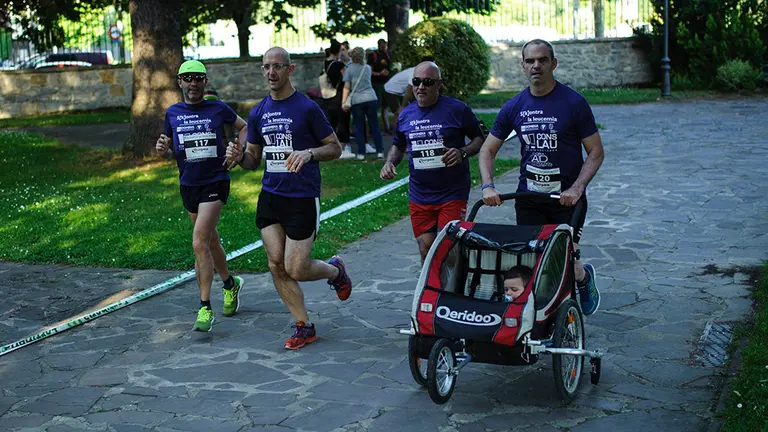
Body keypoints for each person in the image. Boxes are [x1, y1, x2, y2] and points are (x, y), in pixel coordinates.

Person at [225, 47, 353, 350]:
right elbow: (254, 159)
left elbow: (334, 148)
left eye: (277, 67)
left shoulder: (306, 108)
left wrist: (308, 153)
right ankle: (303, 325)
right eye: (266, 67)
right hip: (271, 196)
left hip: (302, 196)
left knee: (296, 267)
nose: (271, 73)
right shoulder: (258, 112)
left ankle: (336, 271)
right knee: (275, 264)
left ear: (290, 69)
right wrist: (239, 155)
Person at [478, 39, 605, 315]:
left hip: (567, 200)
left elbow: (595, 152)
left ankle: (583, 279)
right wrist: (488, 186)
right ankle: (543, 315)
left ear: (553, 64)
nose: (536, 65)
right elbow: (487, 149)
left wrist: (577, 188)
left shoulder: (574, 103)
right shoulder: (514, 106)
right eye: (530, 61)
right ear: (522, 66)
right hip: (529, 198)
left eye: (542, 60)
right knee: (533, 261)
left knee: (566, 260)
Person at [155, 60, 247, 332]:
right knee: (210, 239)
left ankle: (205, 307)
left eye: (198, 78)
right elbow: (174, 150)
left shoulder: (218, 108)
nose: (193, 83)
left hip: (215, 181)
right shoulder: (172, 113)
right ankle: (230, 284)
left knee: (198, 242)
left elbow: (245, 127)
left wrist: (237, 150)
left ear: (205, 82)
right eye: (187, 78)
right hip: (189, 184)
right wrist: (163, 151)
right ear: (180, 82)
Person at [380, 61, 485, 262]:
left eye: (427, 82)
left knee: (449, 248)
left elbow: (479, 139)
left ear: (439, 84)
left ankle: (451, 290)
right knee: (425, 248)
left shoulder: (457, 109)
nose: (421, 87)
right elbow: (398, 145)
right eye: (416, 82)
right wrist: (389, 162)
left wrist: (462, 152)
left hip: (452, 192)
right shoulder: (406, 115)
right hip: (420, 193)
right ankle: (432, 291)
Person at [342, 47, 384, 160]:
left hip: (357, 100)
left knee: (359, 127)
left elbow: (347, 87)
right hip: (371, 97)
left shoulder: (349, 69)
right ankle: (380, 151)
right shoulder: (368, 68)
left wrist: (344, 102)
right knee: (374, 125)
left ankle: (361, 153)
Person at [320, 40, 352, 159]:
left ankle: (331, 146)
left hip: (328, 96)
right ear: (339, 50)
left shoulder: (325, 63)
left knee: (332, 122)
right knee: (343, 122)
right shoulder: (339, 65)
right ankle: (343, 148)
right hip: (339, 96)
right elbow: (347, 80)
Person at [383, 56, 435, 129]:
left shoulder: (422, 72)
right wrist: (403, 105)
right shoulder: (415, 72)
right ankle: (396, 133)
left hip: (400, 91)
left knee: (408, 111)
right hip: (390, 90)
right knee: (399, 113)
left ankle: (403, 129)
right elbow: (409, 89)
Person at [367, 38, 393, 132]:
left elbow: (390, 66)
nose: (384, 47)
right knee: (376, 106)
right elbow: (368, 71)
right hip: (376, 84)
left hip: (386, 83)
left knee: (385, 106)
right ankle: (372, 128)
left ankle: (387, 127)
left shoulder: (387, 54)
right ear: (379, 45)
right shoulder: (373, 55)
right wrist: (379, 73)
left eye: (385, 45)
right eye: (382, 46)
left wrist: (389, 71)